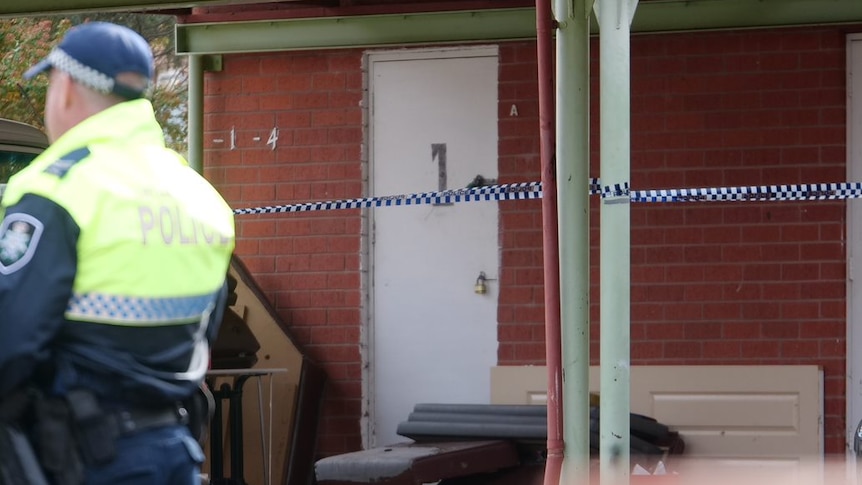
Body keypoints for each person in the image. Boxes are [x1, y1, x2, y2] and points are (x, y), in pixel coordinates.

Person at [0, 21, 235, 484]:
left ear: (64, 87)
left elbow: (12, 337)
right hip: (174, 447)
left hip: (81, 456)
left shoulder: (58, 188)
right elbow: (204, 330)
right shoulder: (197, 193)